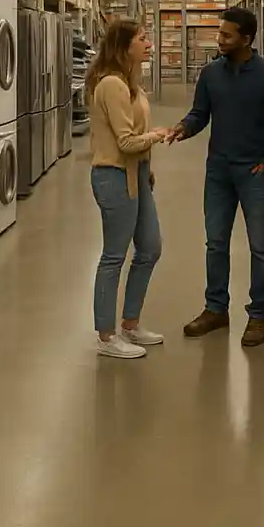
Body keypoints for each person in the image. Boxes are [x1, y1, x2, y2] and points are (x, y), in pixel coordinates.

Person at [167, 6, 264, 347]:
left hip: (254, 171)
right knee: (216, 243)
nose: (219, 39)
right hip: (219, 171)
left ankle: (258, 317)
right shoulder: (211, 74)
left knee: (260, 246)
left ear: (247, 38)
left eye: (226, 35)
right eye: (219, 33)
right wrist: (183, 128)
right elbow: (200, 114)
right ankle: (216, 309)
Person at [86, 19, 170, 360]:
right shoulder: (111, 85)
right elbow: (125, 140)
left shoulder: (130, 82)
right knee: (114, 256)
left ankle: (130, 323)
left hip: (136, 173)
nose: (148, 43)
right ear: (124, 47)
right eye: (142, 38)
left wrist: (148, 166)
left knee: (150, 247)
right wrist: (158, 135)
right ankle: (106, 336)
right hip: (114, 175)